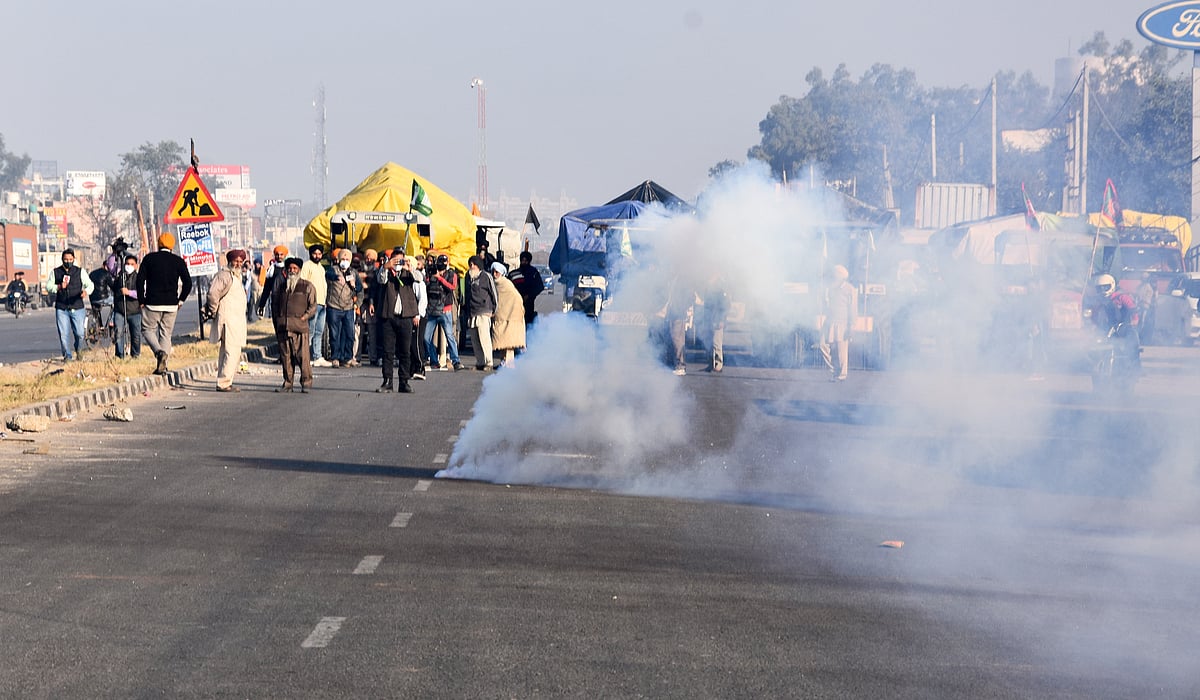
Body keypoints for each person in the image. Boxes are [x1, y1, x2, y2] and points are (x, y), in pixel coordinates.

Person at [136, 233, 192, 375]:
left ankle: (159, 352)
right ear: (172, 246)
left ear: (159, 244)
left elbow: (140, 280)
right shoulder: (178, 261)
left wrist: (141, 300)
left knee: (147, 330)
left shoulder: (149, 259)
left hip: (152, 303)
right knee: (166, 334)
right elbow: (188, 283)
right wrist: (181, 300)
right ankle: (164, 365)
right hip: (171, 304)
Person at [371, 251, 419, 393]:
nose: (398, 263)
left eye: (400, 260)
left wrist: (409, 268)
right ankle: (387, 381)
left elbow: (420, 279)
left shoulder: (408, 273)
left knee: (405, 351)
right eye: (395, 260)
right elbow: (381, 279)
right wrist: (386, 266)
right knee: (388, 351)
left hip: (406, 317)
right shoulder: (386, 273)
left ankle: (404, 382)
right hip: (389, 316)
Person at [204, 250, 249, 392]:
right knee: (232, 351)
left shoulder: (236, 276)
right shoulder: (225, 275)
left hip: (235, 319)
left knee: (228, 351)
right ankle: (224, 382)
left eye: (241, 262)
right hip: (228, 320)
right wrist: (212, 309)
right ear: (230, 261)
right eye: (236, 261)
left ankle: (223, 381)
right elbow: (212, 293)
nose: (238, 264)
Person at [270, 257, 316, 393]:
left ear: (299, 270)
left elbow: (313, 306)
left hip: (300, 327)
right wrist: (278, 320)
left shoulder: (307, 286)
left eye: (295, 268)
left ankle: (306, 382)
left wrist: (305, 317)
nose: (292, 271)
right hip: (284, 327)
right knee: (286, 357)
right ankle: (288, 383)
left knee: (303, 357)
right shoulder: (282, 286)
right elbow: (275, 304)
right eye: (290, 268)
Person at [423, 254, 465, 371]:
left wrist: (440, 278)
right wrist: (431, 276)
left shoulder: (452, 274)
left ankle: (455, 360)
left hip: (445, 310)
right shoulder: (431, 273)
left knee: (450, 336)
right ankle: (433, 360)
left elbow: (452, 287)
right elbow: (426, 286)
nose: (442, 265)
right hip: (432, 310)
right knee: (426, 338)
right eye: (440, 262)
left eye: (444, 262)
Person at [52, 249, 94, 361]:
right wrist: (59, 287)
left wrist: (86, 292)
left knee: (80, 334)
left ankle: (79, 349)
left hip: (77, 307)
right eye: (66, 259)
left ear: (74, 259)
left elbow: (90, 285)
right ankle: (67, 356)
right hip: (62, 307)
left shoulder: (80, 271)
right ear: (62, 259)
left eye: (70, 259)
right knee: (63, 334)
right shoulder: (56, 272)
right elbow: (49, 286)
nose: (68, 261)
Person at [820, 264, 859, 382]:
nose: (832, 277)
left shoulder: (850, 289)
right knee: (822, 344)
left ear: (841, 277)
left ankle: (841, 375)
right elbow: (826, 303)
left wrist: (851, 326)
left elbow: (853, 309)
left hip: (843, 323)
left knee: (842, 351)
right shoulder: (830, 288)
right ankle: (833, 369)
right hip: (830, 321)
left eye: (834, 275)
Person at [325, 248, 362, 368]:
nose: (345, 261)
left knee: (350, 334)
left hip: (348, 308)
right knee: (335, 334)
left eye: (347, 259)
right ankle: (335, 357)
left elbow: (359, 288)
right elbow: (328, 275)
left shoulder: (353, 272)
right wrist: (337, 278)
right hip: (334, 306)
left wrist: (353, 285)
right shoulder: (333, 270)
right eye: (343, 259)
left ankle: (348, 358)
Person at [465, 255, 497, 371]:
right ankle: (480, 362)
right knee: (475, 339)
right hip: (472, 312)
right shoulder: (468, 277)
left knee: (484, 338)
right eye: (470, 264)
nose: (471, 267)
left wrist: (494, 310)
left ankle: (489, 362)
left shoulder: (486, 276)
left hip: (484, 311)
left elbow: (494, 294)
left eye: (473, 264)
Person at [491, 262, 526, 368]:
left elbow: (514, 298)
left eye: (497, 272)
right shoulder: (495, 284)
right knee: (502, 342)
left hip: (512, 317)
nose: (494, 274)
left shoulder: (506, 284)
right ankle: (504, 361)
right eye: (493, 272)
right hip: (501, 317)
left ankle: (509, 363)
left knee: (509, 342)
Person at [300, 244, 330, 367]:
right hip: (312, 304)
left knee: (319, 331)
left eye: (319, 254)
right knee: (310, 331)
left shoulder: (321, 268)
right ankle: (305, 356)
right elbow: (302, 284)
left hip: (322, 303)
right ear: (310, 254)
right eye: (315, 254)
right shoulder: (307, 266)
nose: (317, 256)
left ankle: (317, 356)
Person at [110, 255, 142, 359]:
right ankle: (120, 355)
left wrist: (129, 293)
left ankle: (135, 355)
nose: (129, 266)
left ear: (136, 266)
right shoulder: (119, 276)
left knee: (136, 335)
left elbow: (142, 293)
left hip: (134, 311)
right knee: (118, 333)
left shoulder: (139, 277)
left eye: (132, 264)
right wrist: (115, 253)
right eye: (127, 264)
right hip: (120, 310)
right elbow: (110, 266)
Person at [699, 272, 730, 373]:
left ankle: (718, 365)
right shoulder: (709, 288)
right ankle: (711, 364)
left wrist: (722, 319)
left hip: (717, 319)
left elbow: (725, 306)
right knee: (708, 342)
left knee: (717, 343)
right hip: (709, 319)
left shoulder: (720, 289)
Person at [508, 250, 545, 327]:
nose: (524, 262)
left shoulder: (533, 273)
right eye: (522, 260)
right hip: (516, 303)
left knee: (528, 324)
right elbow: (508, 287)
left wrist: (529, 295)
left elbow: (539, 287)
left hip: (529, 303)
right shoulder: (514, 273)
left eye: (526, 261)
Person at [407, 255, 428, 380]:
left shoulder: (418, 280)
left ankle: (420, 367)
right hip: (408, 315)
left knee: (416, 343)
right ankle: (411, 368)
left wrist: (417, 315)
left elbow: (422, 299)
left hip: (418, 316)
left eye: (409, 262)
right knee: (408, 343)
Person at [256, 245, 289, 317]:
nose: (279, 256)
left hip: (287, 302)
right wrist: (262, 305)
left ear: (285, 255)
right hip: (275, 301)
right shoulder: (271, 270)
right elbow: (266, 289)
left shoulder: (289, 269)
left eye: (281, 254)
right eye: (277, 254)